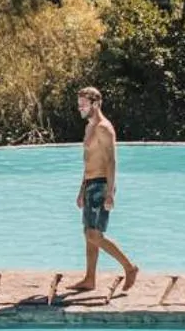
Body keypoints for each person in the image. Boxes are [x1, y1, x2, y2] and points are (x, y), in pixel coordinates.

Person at [51, 86, 139, 301]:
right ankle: (90, 279)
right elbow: (87, 161)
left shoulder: (104, 128)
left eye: (83, 104)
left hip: (101, 185)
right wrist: (81, 189)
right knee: (88, 235)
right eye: (79, 104)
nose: (79, 108)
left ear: (96, 104)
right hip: (90, 184)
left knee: (94, 235)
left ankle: (129, 267)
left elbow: (111, 160)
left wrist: (110, 192)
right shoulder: (90, 127)